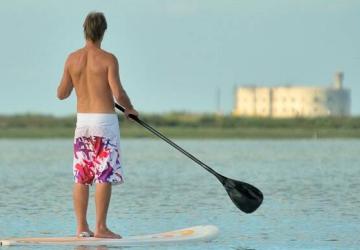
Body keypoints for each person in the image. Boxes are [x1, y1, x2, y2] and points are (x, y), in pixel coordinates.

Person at [57, 12, 138, 239]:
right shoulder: (108, 59)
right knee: (104, 174)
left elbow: (61, 94)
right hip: (104, 123)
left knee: (81, 176)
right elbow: (118, 93)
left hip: (82, 123)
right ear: (103, 31)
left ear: (84, 30)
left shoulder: (72, 59)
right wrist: (130, 108)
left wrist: (77, 79)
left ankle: (82, 227)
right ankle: (100, 227)